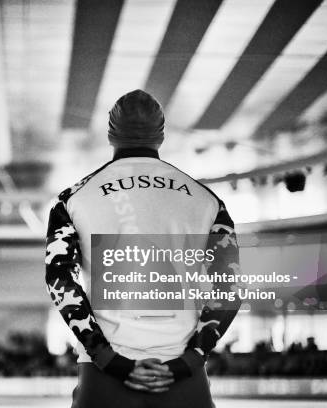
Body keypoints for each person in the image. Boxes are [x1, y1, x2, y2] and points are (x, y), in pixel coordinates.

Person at [45, 90, 241, 407]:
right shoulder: (207, 201)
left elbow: (60, 280)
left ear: (110, 133)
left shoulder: (74, 199)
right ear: (161, 134)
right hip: (183, 378)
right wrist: (189, 360)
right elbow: (229, 289)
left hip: (104, 376)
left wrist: (108, 359)